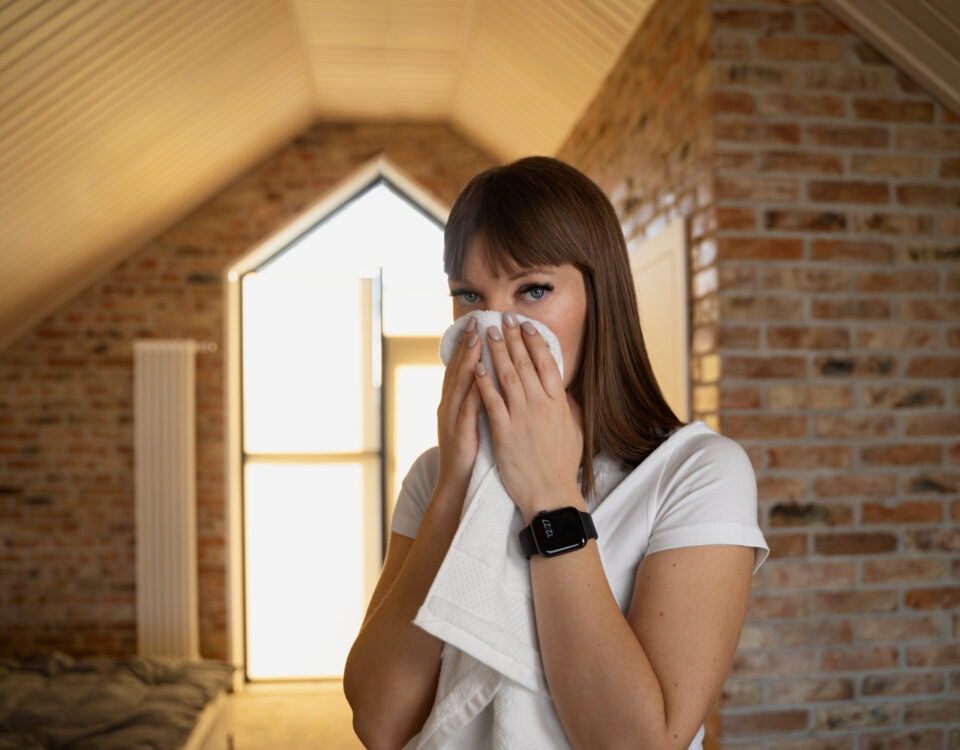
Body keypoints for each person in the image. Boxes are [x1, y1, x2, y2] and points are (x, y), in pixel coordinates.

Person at [343, 156, 767, 750]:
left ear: (599, 297)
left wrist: (548, 495)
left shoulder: (698, 474)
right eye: (470, 296)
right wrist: (455, 490)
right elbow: (379, 723)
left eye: (533, 290)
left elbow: (640, 744)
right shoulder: (432, 477)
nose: (494, 326)